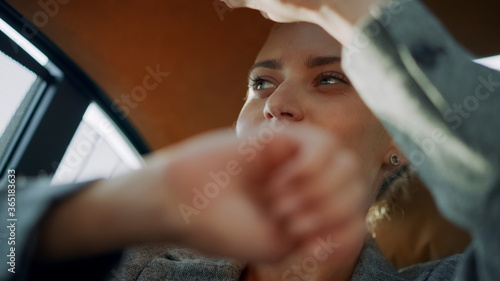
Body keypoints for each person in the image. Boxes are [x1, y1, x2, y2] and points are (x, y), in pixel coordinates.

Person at [1, 0, 499, 281]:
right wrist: (129, 203)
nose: (274, 102)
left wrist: (357, 11)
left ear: (404, 139)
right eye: (262, 83)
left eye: (330, 79)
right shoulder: (133, 255)